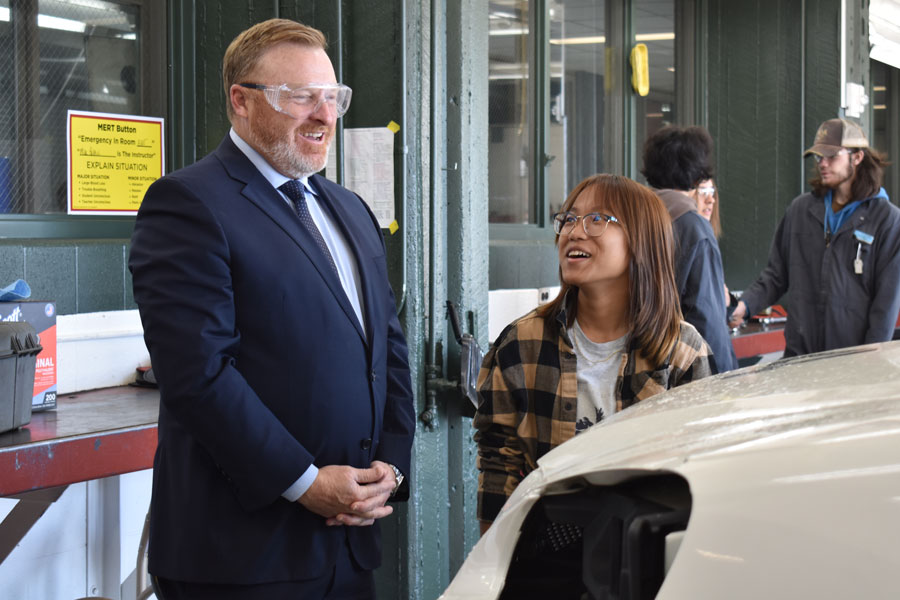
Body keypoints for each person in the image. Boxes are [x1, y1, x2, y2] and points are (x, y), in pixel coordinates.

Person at [129, 18, 415, 599]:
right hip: (241, 555)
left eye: (331, 97)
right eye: (299, 97)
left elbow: (387, 348)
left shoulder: (350, 209)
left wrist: (390, 468)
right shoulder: (188, 203)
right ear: (242, 101)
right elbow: (198, 374)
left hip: (349, 543)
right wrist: (305, 482)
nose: (324, 114)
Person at [474, 174, 713, 532]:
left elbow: (697, 472)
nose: (574, 231)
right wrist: (496, 566)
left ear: (641, 241)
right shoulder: (522, 342)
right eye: (569, 218)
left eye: (597, 219)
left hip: (645, 552)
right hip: (543, 553)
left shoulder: (681, 352)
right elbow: (498, 463)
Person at [729, 118, 900, 357]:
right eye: (819, 157)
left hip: (852, 363)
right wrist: (744, 306)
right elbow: (776, 276)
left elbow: (886, 305)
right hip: (799, 357)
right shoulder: (801, 210)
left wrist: (869, 363)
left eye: (832, 156)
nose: (823, 164)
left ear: (857, 157)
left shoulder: (887, 220)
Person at [641, 126, 738, 372]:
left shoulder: (637, 218)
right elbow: (707, 322)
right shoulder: (694, 228)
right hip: (688, 375)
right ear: (697, 176)